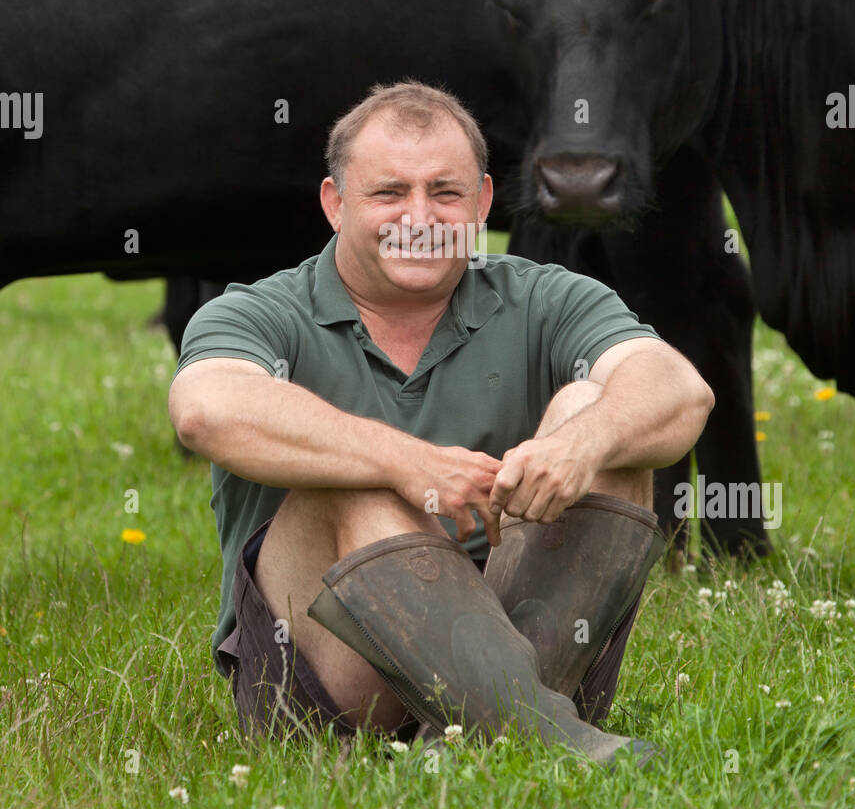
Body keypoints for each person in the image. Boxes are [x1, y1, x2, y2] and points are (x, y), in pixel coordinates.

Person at [168, 81, 714, 768]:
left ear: (483, 202)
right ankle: (542, 738)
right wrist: (408, 464)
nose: (420, 216)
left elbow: (679, 390)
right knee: (355, 483)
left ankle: (476, 739)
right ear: (336, 205)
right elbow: (205, 408)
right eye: (389, 193)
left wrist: (581, 444)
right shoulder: (260, 312)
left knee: (598, 413)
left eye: (446, 193)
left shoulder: (544, 297)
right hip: (328, 688)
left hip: (542, 645)